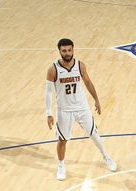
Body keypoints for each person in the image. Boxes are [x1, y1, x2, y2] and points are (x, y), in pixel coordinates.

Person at [46, 38, 117, 181]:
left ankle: (107, 157)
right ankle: (61, 165)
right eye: (64, 51)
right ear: (59, 51)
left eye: (69, 50)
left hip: (82, 108)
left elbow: (88, 82)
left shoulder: (80, 66)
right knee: (62, 140)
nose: (67, 53)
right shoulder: (53, 69)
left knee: (94, 134)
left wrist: (96, 99)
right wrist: (49, 113)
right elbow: (48, 92)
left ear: (73, 50)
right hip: (64, 110)